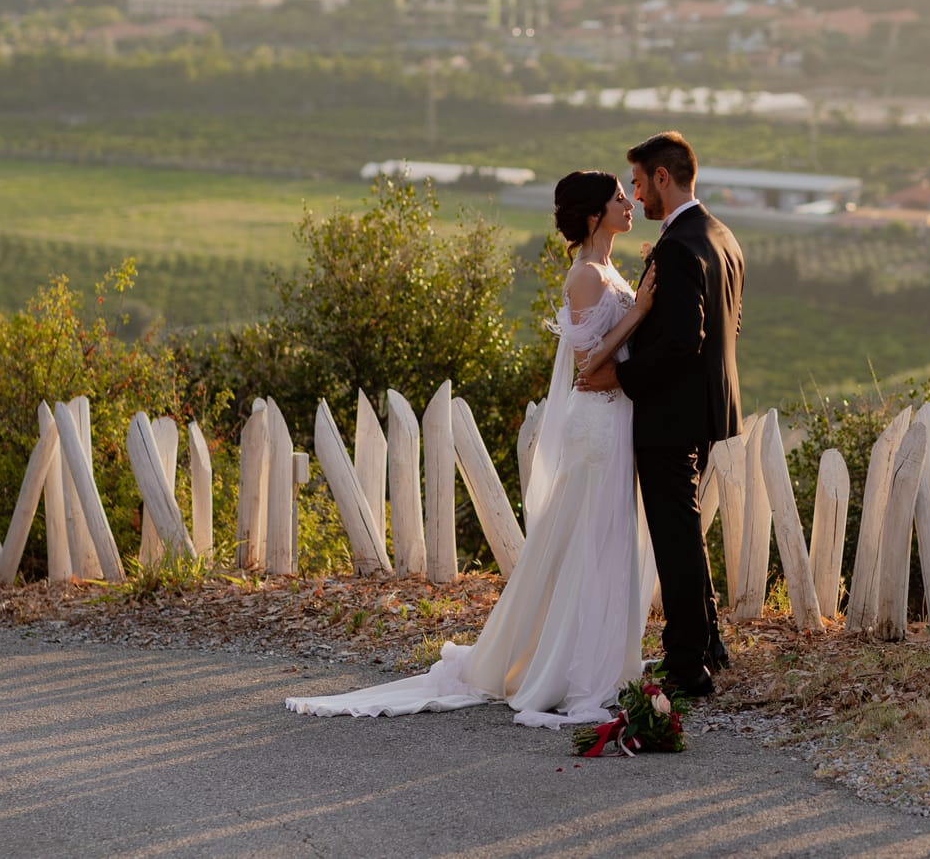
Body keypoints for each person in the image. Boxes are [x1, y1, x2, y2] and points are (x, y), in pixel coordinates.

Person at [285, 171, 658, 726]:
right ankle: (567, 664)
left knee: (606, 539)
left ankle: (600, 655)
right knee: (587, 539)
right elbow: (586, 368)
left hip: (615, 422)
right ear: (592, 215)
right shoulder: (584, 276)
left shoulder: (610, 270)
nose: (630, 204)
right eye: (619, 198)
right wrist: (641, 311)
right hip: (598, 429)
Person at [577, 130, 743, 698]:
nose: (637, 194)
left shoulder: (676, 246)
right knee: (686, 528)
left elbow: (680, 341)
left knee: (675, 537)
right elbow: (729, 326)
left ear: (664, 179)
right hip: (706, 407)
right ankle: (709, 642)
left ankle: (686, 663)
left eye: (641, 184)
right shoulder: (721, 235)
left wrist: (619, 376)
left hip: (669, 413)